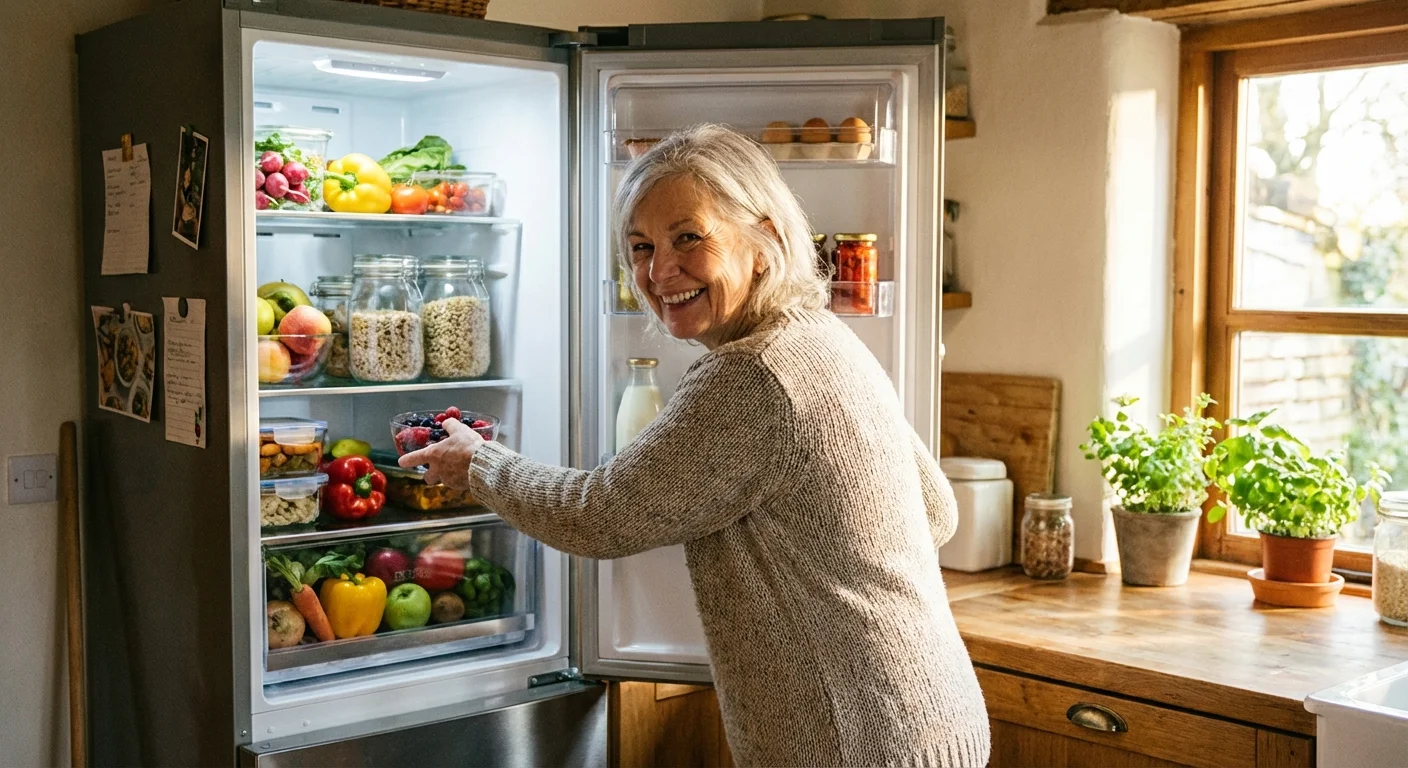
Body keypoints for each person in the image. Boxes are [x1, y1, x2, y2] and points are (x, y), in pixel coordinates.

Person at [400, 124, 990, 766]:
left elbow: (601, 516)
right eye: (640, 246)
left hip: (853, 740)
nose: (660, 271)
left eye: (689, 237)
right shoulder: (824, 338)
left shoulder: (753, 375)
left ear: (762, 240)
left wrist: (479, 462)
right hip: (933, 715)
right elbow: (935, 510)